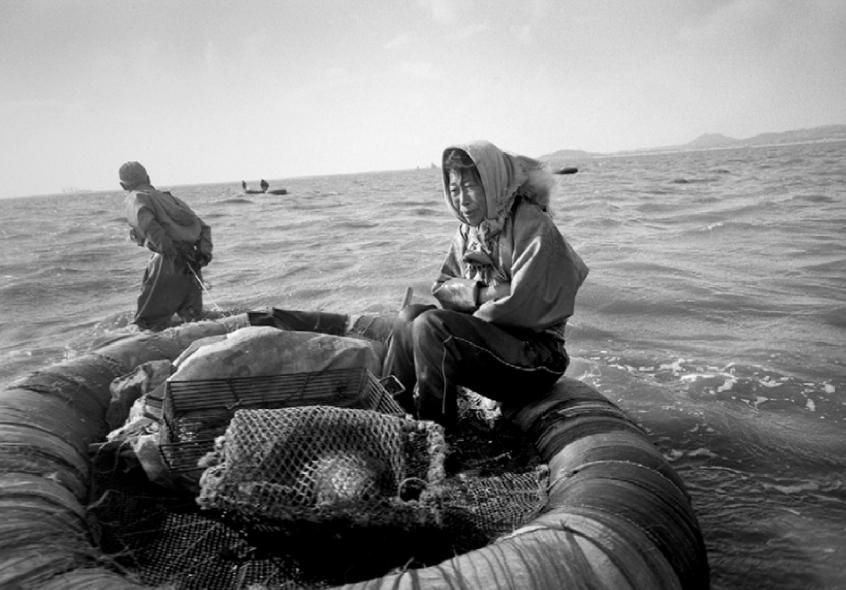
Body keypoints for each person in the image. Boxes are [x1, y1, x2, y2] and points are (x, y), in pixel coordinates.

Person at [387, 140, 589, 428]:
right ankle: (393, 411)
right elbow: (443, 287)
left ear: (492, 182)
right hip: (493, 348)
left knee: (432, 328)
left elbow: (525, 305)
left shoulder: (532, 224)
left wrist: (463, 319)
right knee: (409, 318)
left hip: (537, 358)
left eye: (470, 187)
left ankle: (436, 435)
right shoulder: (470, 230)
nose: (462, 200)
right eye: (454, 190)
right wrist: (486, 293)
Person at [118, 161, 213, 331]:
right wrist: (203, 255)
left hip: (168, 260)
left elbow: (149, 228)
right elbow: (204, 228)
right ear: (148, 178)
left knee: (148, 324)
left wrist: (173, 253)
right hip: (192, 260)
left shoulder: (135, 198)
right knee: (193, 319)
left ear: (123, 186)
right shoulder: (172, 199)